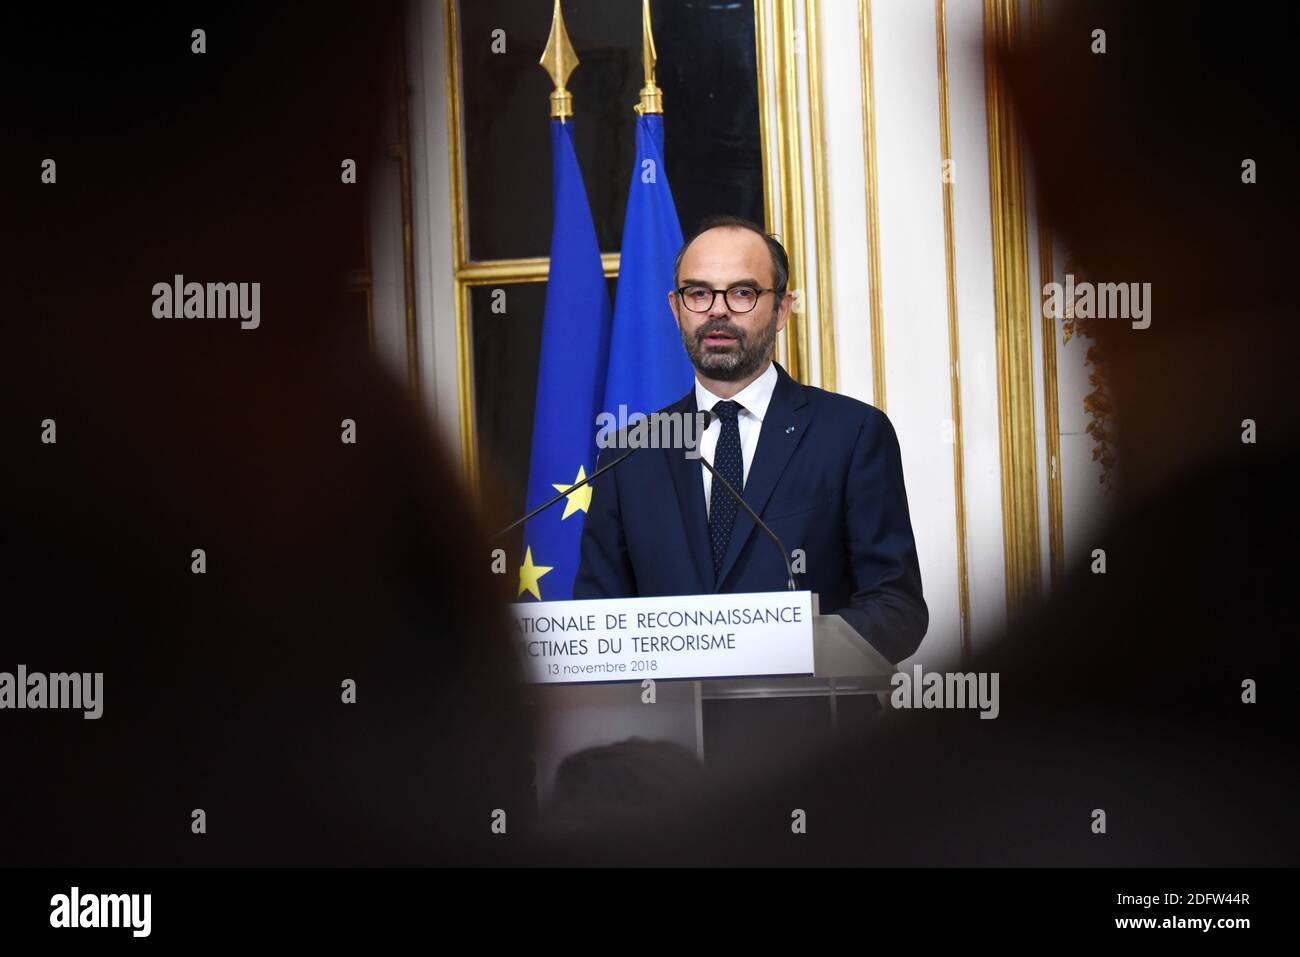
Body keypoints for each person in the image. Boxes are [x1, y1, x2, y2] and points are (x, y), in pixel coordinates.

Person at [574, 216, 928, 664]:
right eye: (699, 293)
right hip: (671, 729)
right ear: (676, 308)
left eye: (742, 292)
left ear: (781, 310)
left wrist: (771, 651)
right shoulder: (630, 451)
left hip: (815, 728)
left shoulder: (852, 434)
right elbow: (597, 619)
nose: (717, 310)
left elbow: (897, 610)